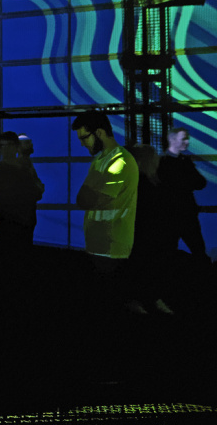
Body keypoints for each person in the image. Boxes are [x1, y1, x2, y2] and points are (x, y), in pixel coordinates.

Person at [72, 112, 138, 380]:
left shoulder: (118, 162)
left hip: (111, 249)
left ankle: (114, 368)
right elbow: (84, 197)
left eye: (84, 137)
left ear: (99, 133)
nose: (82, 144)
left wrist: (89, 192)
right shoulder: (103, 160)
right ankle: (109, 366)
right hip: (102, 247)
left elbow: (86, 199)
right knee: (103, 310)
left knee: (108, 311)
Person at [126, 144, 176, 315]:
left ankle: (142, 299)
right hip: (147, 233)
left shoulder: (139, 182)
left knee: (144, 266)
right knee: (146, 266)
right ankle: (146, 299)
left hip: (144, 233)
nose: (157, 161)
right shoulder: (147, 183)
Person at [157, 127, 209, 264]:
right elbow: (200, 183)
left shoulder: (161, 162)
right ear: (172, 139)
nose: (186, 142)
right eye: (184, 138)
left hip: (169, 215)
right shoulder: (185, 162)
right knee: (198, 250)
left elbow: (199, 183)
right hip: (186, 214)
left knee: (167, 252)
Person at [0, 131, 43, 250]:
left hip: (14, 224)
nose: (5, 149)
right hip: (18, 224)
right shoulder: (22, 170)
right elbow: (35, 193)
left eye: (8, 145)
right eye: (2, 146)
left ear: (16, 147)